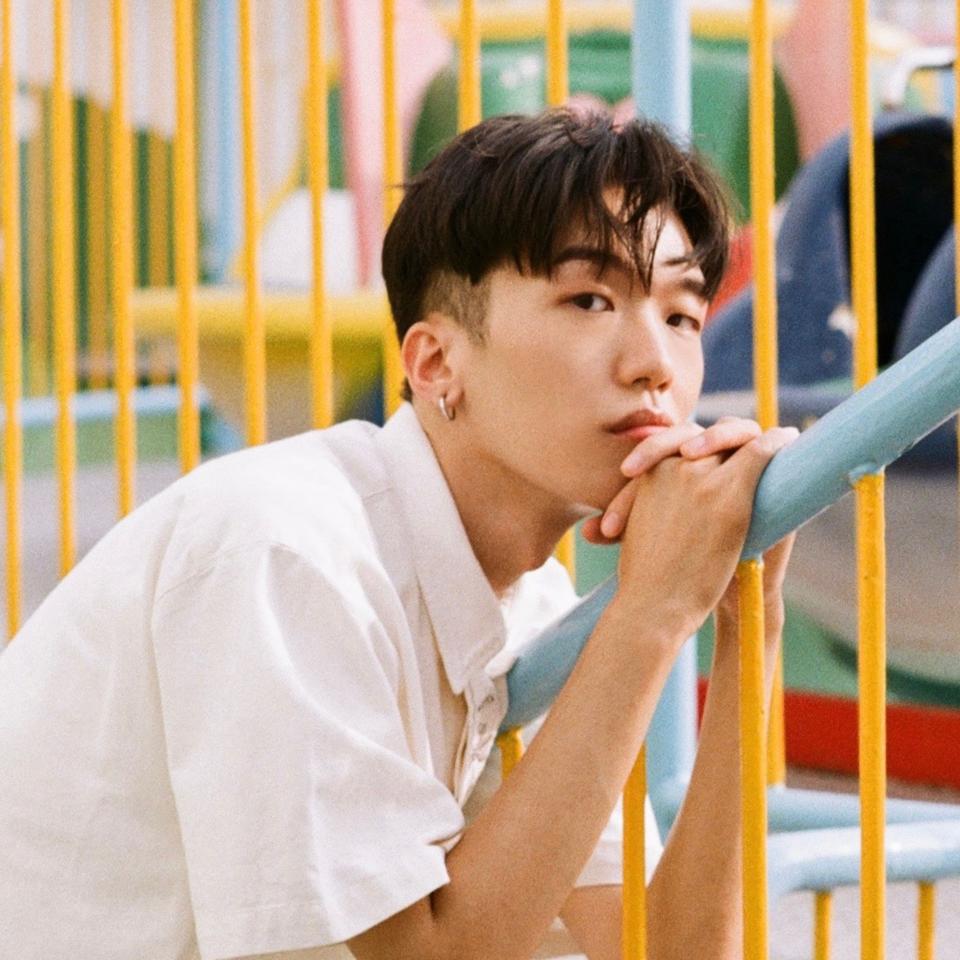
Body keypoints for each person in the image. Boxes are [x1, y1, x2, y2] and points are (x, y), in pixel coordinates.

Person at [0, 109, 796, 960]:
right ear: (435, 363)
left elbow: (666, 952)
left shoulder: (532, 601)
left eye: (682, 316)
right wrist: (650, 615)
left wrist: (747, 617)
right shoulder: (288, 552)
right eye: (590, 300)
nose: (656, 365)